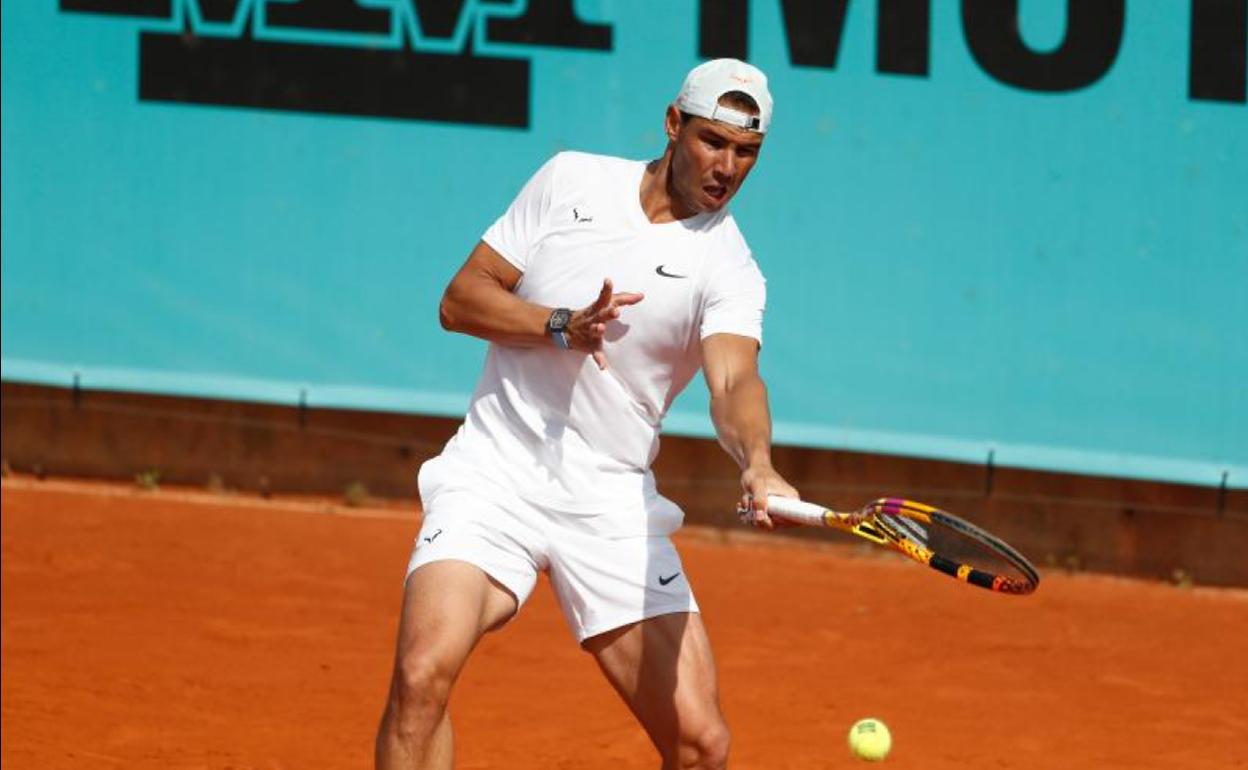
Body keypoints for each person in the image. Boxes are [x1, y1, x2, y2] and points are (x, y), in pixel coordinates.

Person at [375, 58, 799, 770]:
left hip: (608, 501)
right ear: (673, 123)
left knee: (701, 745)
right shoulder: (571, 179)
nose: (727, 165)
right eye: (712, 140)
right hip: (494, 473)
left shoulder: (729, 268)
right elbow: (460, 300)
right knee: (421, 675)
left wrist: (758, 462)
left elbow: (734, 381)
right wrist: (559, 325)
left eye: (746, 151)